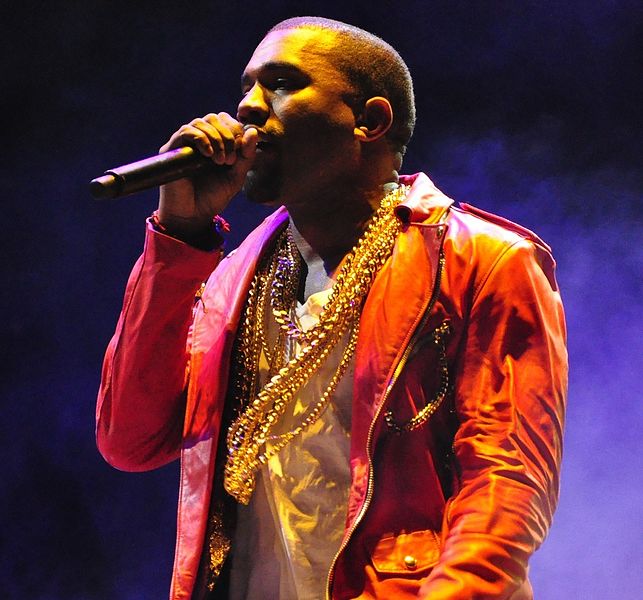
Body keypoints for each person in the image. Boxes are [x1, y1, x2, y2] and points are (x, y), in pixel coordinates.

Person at [96, 16, 567, 600]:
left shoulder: (485, 262)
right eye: (246, 87)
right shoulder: (234, 278)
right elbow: (131, 440)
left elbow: (506, 482)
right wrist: (181, 235)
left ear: (370, 121)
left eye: (282, 84)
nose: (247, 107)